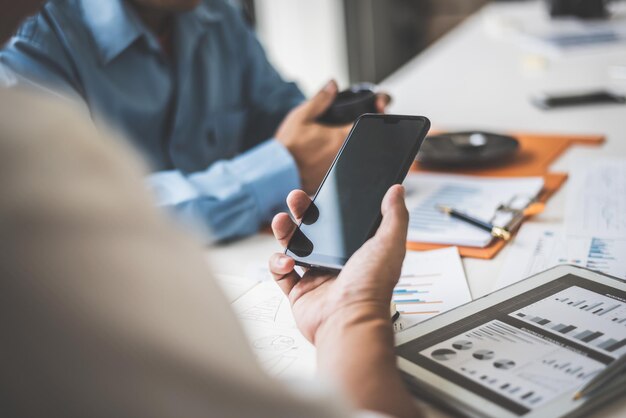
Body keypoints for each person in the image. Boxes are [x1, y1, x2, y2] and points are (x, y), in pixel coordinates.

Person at [0, 87, 422, 418]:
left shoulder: (216, 18)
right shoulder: (25, 152)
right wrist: (356, 315)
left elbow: (286, 108)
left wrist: (345, 313)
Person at [0, 0, 387, 242]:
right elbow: (81, 217)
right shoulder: (28, 42)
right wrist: (281, 165)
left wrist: (329, 124)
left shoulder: (217, 13)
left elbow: (277, 113)